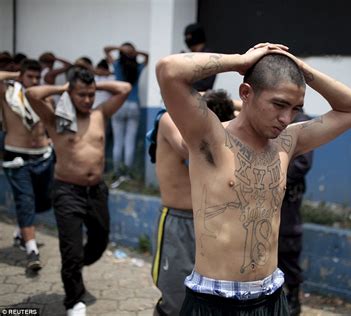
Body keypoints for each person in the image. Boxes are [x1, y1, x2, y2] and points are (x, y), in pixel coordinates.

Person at [156, 43, 351, 315]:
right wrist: (240, 62)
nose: (285, 118)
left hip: (270, 298)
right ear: (246, 93)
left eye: (295, 108)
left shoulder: (288, 142)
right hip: (214, 301)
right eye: (279, 104)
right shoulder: (210, 137)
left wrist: (298, 66)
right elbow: (168, 70)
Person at [26, 68, 131, 316]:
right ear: (71, 93)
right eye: (81, 95)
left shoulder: (100, 113)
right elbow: (32, 93)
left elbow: (124, 88)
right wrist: (63, 88)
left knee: (100, 239)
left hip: (96, 191)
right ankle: (74, 300)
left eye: (91, 94)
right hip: (67, 192)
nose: (87, 100)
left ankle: (73, 264)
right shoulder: (55, 119)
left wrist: (97, 85)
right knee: (70, 249)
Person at [147, 89, 235, 316]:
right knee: (175, 301)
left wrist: (235, 105)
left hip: (213, 222)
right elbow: (189, 147)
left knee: (210, 300)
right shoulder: (169, 119)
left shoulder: (217, 126)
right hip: (178, 222)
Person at [0, 59, 54, 271]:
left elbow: (52, 121)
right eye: (29, 77)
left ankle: (19, 232)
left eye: (36, 77)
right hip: (17, 156)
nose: (34, 81)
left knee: (41, 201)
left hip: (42, 156)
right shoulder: (8, 95)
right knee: (25, 200)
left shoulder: (41, 96)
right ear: (21, 76)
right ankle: (32, 250)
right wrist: (16, 77)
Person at [277, 111, 314, 316]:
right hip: (270, 196)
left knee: (288, 243)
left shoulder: (301, 122)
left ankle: (293, 298)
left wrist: (276, 180)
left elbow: (302, 164)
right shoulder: (277, 116)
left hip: (287, 198)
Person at [104, 43, 148, 185]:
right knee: (130, 142)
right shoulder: (138, 67)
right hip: (134, 105)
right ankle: (127, 175)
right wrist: (134, 52)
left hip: (118, 104)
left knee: (118, 142)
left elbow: (106, 49)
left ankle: (117, 174)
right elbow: (147, 56)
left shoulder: (117, 65)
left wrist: (121, 49)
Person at [183, 23, 216, 92]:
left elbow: (205, 84)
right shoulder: (193, 56)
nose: (186, 40)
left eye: (188, 37)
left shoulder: (208, 57)